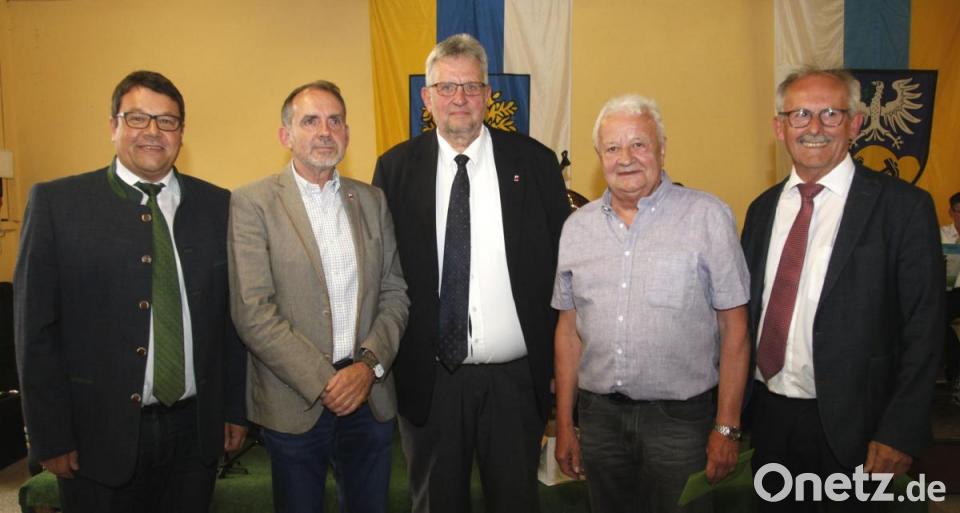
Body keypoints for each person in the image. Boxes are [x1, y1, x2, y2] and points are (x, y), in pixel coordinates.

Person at [14, 70, 247, 513]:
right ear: (113, 126)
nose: (153, 132)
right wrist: (49, 435)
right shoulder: (58, 204)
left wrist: (234, 409)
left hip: (194, 433)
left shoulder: (219, 205)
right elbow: (35, 332)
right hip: (96, 435)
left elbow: (231, 320)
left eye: (167, 121)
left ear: (181, 132)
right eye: (138, 118)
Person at [372, 33, 570, 512]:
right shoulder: (395, 169)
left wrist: (560, 369)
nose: (459, 97)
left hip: (516, 381)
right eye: (446, 87)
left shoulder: (535, 163)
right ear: (427, 98)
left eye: (471, 86)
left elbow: (564, 269)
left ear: (487, 95)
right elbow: (382, 273)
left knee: (515, 502)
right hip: (430, 381)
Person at [741, 67, 943, 511]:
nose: (814, 127)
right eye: (800, 114)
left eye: (830, 114)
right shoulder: (761, 210)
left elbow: (925, 329)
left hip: (859, 428)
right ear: (780, 127)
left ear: (854, 124)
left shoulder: (903, 208)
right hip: (770, 418)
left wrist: (899, 430)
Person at [552, 95, 750, 513]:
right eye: (612, 147)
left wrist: (727, 427)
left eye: (638, 144)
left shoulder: (707, 217)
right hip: (600, 420)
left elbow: (735, 329)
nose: (625, 158)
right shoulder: (576, 229)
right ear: (599, 156)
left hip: (680, 423)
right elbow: (568, 333)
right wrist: (566, 424)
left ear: (662, 149)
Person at [228, 80, 408, 513]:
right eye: (310, 121)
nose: (325, 131)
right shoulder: (253, 203)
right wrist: (324, 381)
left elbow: (395, 293)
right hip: (295, 400)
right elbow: (253, 312)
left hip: (368, 395)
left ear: (347, 133)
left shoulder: (373, 200)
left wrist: (367, 368)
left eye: (335, 121)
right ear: (286, 135)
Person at [942, 192, 960, 403]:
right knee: (937, 321)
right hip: (949, 291)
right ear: (951, 212)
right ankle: (955, 375)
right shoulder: (941, 235)